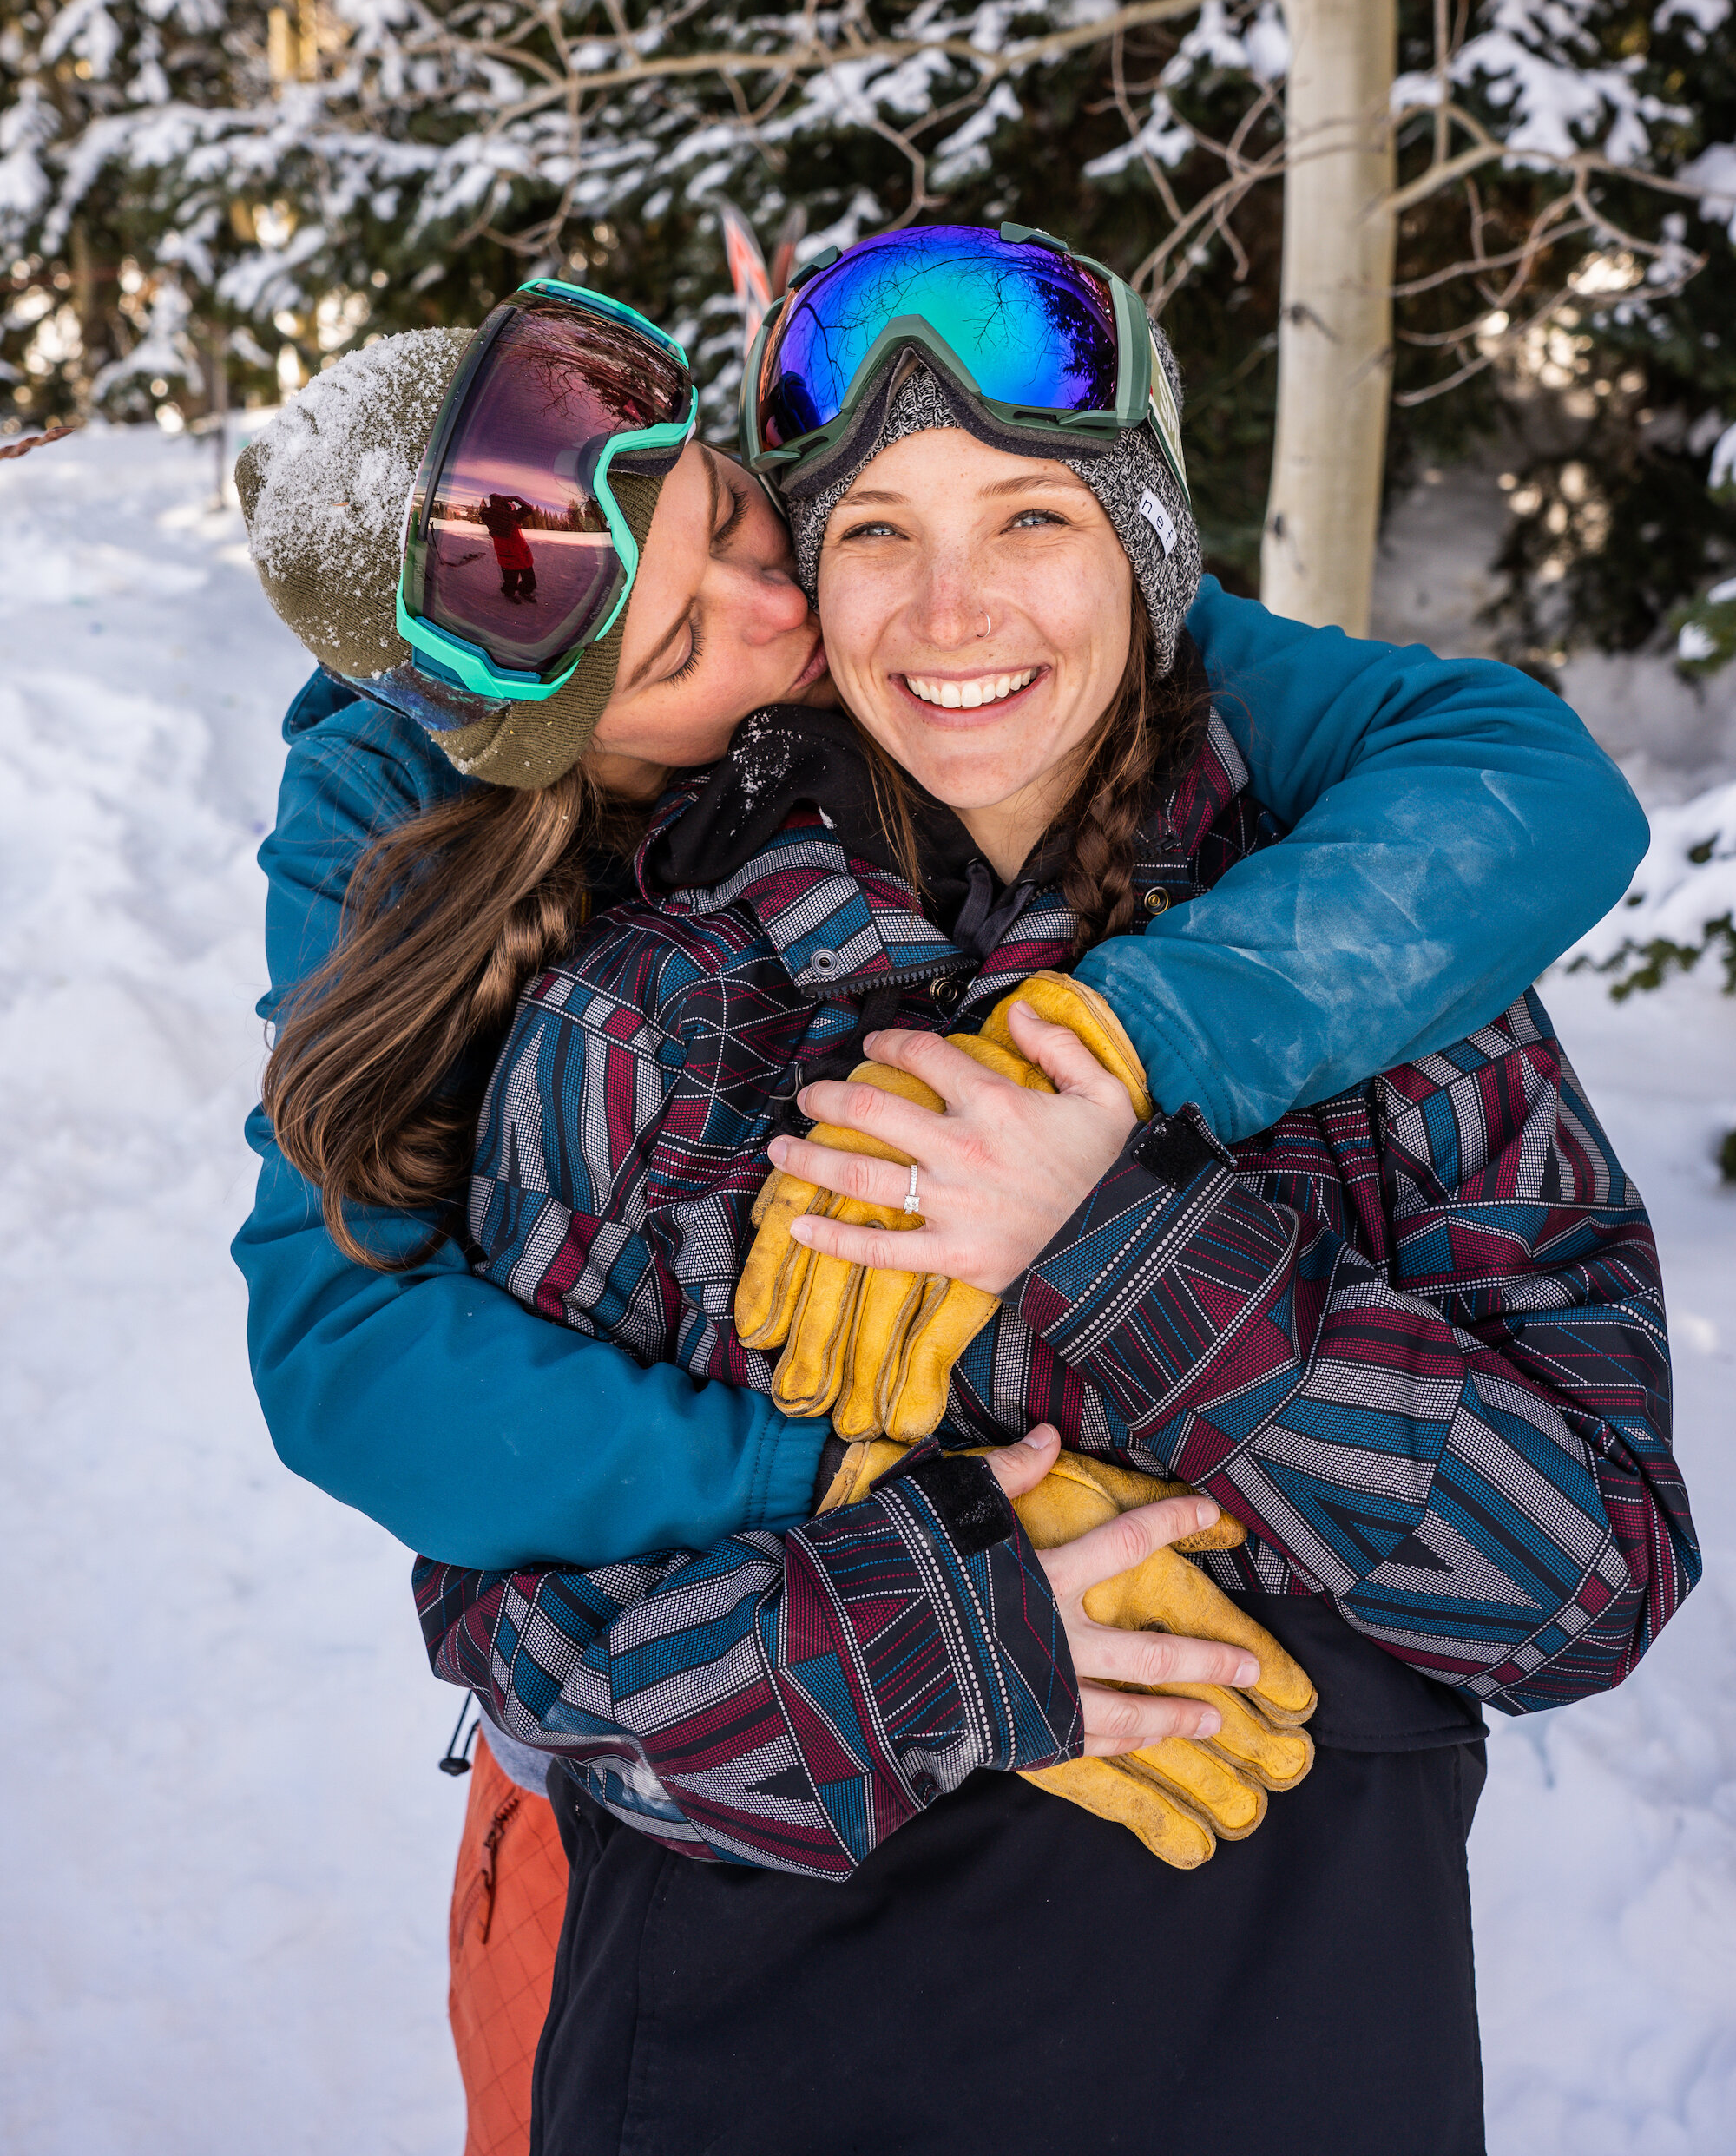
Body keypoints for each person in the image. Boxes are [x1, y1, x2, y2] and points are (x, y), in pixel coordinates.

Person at [236, 239, 1692, 2154]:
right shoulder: (618, 1011)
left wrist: (1093, 1199)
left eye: (752, 521)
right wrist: (923, 1599)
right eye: (857, 542)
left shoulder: (1374, 969)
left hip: (1298, 2038)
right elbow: (487, 1576)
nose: (914, 608)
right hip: (752, 2035)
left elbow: (1583, 1581)